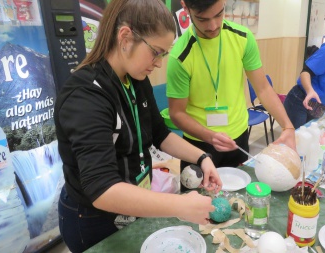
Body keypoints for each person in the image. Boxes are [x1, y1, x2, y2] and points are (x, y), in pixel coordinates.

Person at [54, 0, 222, 252]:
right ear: (125, 36)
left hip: (134, 202)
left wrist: (202, 157)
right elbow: (102, 189)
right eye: (156, 52)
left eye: (164, 54)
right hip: (93, 218)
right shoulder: (85, 96)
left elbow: (159, 134)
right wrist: (178, 205)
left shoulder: (136, 78)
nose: (159, 63)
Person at [166, 0, 296, 174]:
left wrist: (287, 126)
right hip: (199, 145)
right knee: (200, 199)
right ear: (185, 7)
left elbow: (263, 88)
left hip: (238, 139)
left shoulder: (242, 38)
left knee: (239, 199)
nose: (213, 26)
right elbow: (177, 113)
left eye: (219, 14)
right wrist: (209, 136)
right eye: (202, 19)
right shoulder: (180, 56)